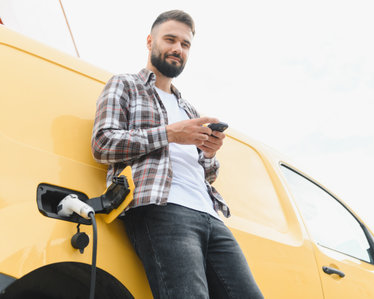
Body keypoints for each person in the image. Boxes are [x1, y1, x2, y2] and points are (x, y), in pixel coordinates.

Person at [91, 10, 263, 299]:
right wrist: (170, 134)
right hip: (162, 209)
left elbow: (207, 172)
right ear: (150, 41)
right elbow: (102, 143)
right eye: (170, 39)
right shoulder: (125, 85)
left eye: (185, 44)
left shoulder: (189, 110)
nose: (177, 49)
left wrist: (208, 152)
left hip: (210, 215)